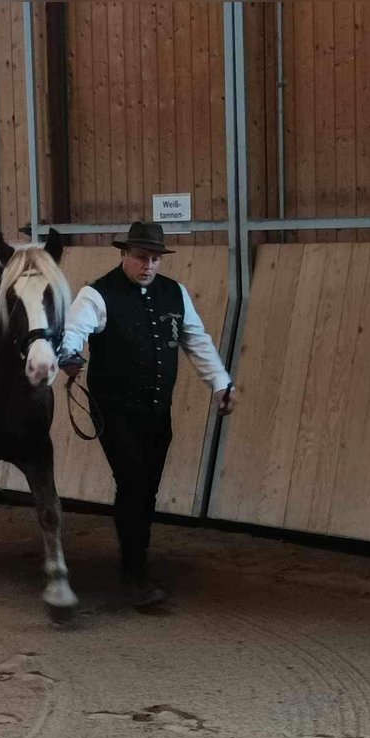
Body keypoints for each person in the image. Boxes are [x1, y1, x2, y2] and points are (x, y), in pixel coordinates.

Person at [58, 221, 237, 609]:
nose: (149, 265)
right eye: (142, 257)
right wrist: (69, 355)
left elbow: (196, 340)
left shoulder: (175, 293)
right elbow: (74, 331)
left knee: (147, 489)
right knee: (134, 484)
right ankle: (135, 575)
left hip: (157, 410)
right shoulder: (96, 294)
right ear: (124, 254)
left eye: (155, 258)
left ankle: (135, 562)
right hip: (114, 410)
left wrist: (221, 383)